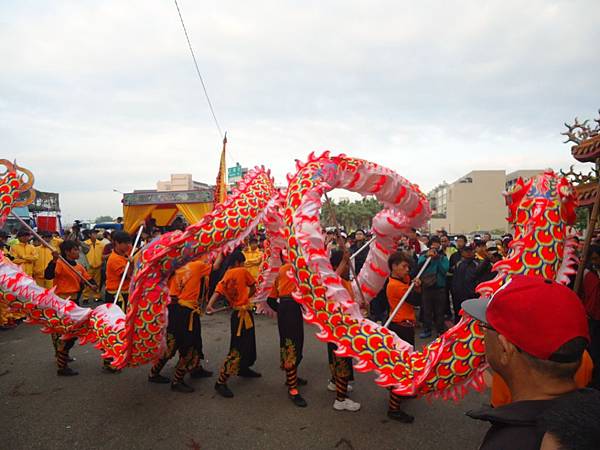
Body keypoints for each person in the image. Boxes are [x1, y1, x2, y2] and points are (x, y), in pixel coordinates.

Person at [463, 275, 591, 449]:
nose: (483, 334)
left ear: (504, 349)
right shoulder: (589, 419)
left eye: (485, 326)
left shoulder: (509, 443)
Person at [149, 258, 214, 393]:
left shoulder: (176, 266)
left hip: (176, 309)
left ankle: (193, 368)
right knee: (187, 345)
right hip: (185, 313)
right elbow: (217, 266)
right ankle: (177, 381)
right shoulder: (197, 265)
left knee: (186, 342)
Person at [206, 250, 260, 398]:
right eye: (242, 263)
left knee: (246, 343)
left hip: (236, 314)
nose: (243, 265)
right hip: (244, 313)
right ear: (238, 263)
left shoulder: (226, 275)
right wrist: (245, 298)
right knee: (238, 347)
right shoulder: (242, 271)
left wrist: (210, 306)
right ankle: (221, 381)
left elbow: (217, 291)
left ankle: (243, 368)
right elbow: (254, 287)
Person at [44, 240, 96, 376]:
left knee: (71, 331)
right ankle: (61, 361)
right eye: (75, 250)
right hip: (61, 301)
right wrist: (54, 260)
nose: (78, 252)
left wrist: (93, 285)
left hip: (74, 301)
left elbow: (88, 278)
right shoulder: (60, 263)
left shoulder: (78, 266)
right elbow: (48, 275)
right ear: (67, 252)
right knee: (63, 332)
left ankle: (62, 356)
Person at [266, 259, 308, 407]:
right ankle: (293, 389)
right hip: (291, 308)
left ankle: (291, 378)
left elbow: (270, 299)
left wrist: (282, 310)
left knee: (291, 345)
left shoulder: (280, 271)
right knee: (293, 346)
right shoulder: (296, 267)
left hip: (286, 308)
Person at [385, 251, 421, 423]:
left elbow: (410, 283)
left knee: (404, 364)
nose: (407, 270)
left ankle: (401, 393)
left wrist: (414, 282)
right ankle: (393, 408)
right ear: (393, 267)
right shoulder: (396, 286)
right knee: (400, 366)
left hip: (403, 326)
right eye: (404, 266)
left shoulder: (399, 281)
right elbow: (416, 299)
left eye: (408, 266)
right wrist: (417, 286)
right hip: (401, 328)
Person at [327, 248, 360, 412]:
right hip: (338, 328)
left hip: (342, 327)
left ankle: (335, 384)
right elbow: (330, 282)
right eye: (348, 264)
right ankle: (340, 399)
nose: (349, 267)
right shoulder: (332, 280)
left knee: (337, 359)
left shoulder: (345, 282)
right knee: (342, 362)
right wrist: (343, 262)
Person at [418, 236, 449, 338]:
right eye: (433, 246)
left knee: (439, 311)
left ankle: (440, 330)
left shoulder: (443, 257)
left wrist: (437, 260)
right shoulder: (424, 255)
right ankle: (427, 330)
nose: (435, 249)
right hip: (427, 287)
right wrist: (427, 257)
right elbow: (419, 266)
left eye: (437, 245)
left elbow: (444, 270)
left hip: (440, 288)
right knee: (427, 310)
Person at [582, 245, 600, 388]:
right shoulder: (588, 274)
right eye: (593, 258)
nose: (596, 261)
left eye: (597, 258)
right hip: (592, 317)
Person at [451, 244, 479, 323]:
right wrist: (454, 290)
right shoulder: (459, 263)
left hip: (471, 293)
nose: (468, 253)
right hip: (459, 293)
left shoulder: (476, 263)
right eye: (466, 251)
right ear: (462, 253)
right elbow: (455, 278)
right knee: (459, 314)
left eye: (470, 251)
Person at [105, 231, 133, 309]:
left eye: (129, 243)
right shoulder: (114, 259)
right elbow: (125, 276)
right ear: (117, 243)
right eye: (126, 243)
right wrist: (131, 264)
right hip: (116, 294)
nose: (129, 245)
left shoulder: (125, 253)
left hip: (125, 291)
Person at [82, 229, 105, 303]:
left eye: (96, 234)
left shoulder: (101, 244)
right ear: (89, 235)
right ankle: (85, 297)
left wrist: (102, 262)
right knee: (87, 282)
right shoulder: (85, 243)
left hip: (98, 266)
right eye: (94, 233)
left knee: (97, 282)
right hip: (88, 266)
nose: (96, 235)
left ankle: (96, 296)